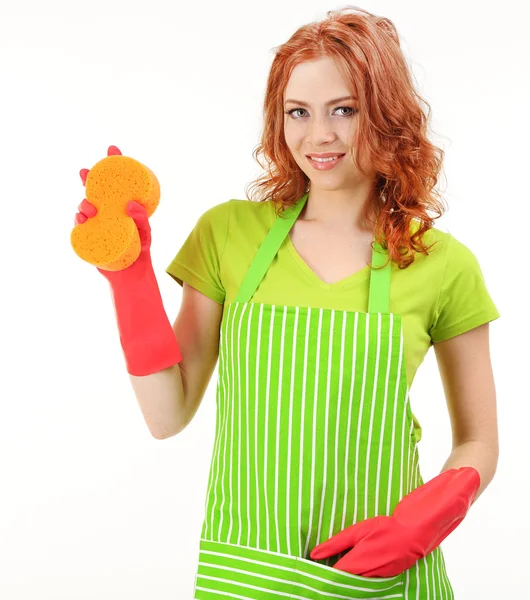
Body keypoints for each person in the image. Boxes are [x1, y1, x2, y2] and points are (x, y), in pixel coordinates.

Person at [75, 6, 500, 599]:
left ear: (387, 114)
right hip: (247, 573)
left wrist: (425, 520)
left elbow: (480, 440)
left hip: (383, 574)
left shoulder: (443, 263)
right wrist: (129, 276)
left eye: (344, 110)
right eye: (297, 112)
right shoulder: (228, 234)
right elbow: (166, 416)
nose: (318, 136)